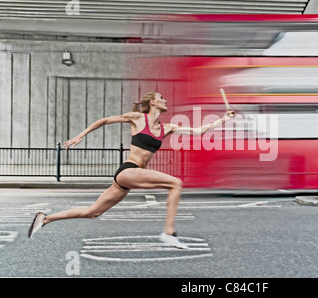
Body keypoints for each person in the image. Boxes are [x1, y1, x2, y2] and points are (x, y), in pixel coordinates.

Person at [28, 91, 235, 249]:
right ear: (152, 102)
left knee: (93, 212)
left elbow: (199, 131)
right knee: (176, 183)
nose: (166, 101)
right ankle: (169, 233)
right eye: (161, 98)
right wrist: (80, 136)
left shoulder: (167, 128)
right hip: (128, 170)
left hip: (130, 176)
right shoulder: (138, 118)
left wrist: (224, 119)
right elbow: (106, 120)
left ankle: (45, 218)